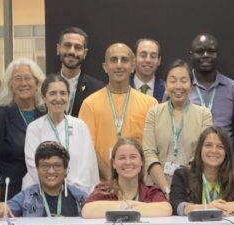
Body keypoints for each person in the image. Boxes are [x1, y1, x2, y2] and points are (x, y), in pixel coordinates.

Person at [79, 43, 158, 180]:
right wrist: (112, 178)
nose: (119, 65)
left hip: (139, 184)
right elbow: (87, 148)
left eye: (124, 60)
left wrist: (134, 178)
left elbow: (152, 148)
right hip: (102, 184)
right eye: (114, 60)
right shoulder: (90, 104)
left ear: (133, 67)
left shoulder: (150, 104)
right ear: (105, 67)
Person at [142, 60, 213, 193]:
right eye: (173, 81)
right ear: (165, 84)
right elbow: (149, 153)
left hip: (191, 187)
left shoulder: (204, 114)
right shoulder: (154, 113)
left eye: (183, 80)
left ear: (191, 85)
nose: (178, 86)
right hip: (156, 187)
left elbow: (201, 154)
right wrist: (167, 190)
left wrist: (181, 190)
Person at [24, 75, 100, 194]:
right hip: (43, 193)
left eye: (63, 93)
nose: (58, 98)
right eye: (53, 93)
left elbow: (89, 165)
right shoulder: (34, 128)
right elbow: (33, 165)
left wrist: (72, 190)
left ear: (68, 96)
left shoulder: (80, 126)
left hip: (77, 193)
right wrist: (55, 187)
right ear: (44, 97)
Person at [0, 58, 44, 202]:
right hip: (10, 192)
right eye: (17, 79)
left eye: (28, 78)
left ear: (37, 82)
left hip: (44, 190)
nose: (23, 83)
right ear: (10, 84)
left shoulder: (46, 113)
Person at [170, 126, 234, 216]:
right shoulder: (182, 176)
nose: (214, 151)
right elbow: (176, 205)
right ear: (200, 149)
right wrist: (207, 208)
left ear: (226, 152)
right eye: (208, 145)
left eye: (220, 147)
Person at [189, 33, 234, 135]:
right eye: (200, 51)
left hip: (224, 150)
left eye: (211, 51)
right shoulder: (180, 89)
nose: (205, 55)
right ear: (191, 55)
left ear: (218, 55)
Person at [56, 26, 105, 117]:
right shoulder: (45, 85)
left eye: (78, 47)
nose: (72, 51)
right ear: (58, 49)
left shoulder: (98, 89)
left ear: (85, 53)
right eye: (67, 45)